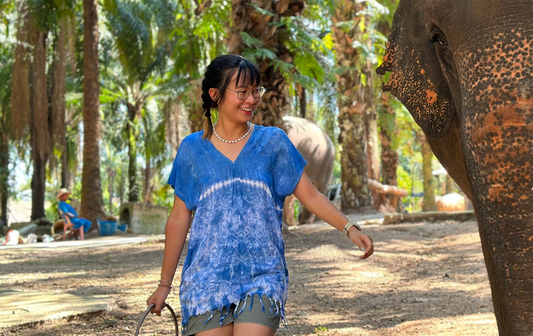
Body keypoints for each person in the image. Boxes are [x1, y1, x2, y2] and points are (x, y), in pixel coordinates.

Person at [147, 55, 374, 336]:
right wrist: (164, 284)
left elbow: (311, 195)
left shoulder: (273, 142)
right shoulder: (192, 149)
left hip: (262, 277)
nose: (252, 99)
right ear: (215, 95)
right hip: (205, 280)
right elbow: (180, 217)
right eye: (242, 92)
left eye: (256, 91)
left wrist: (350, 228)